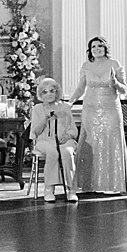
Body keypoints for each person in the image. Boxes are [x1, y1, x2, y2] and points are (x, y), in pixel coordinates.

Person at [68, 37, 127, 194]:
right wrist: (70, 102)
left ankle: (112, 184)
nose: (97, 48)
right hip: (90, 109)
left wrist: (115, 83)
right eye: (93, 46)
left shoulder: (114, 64)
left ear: (105, 48)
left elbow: (125, 90)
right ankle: (89, 184)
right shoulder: (86, 65)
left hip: (111, 109)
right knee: (90, 143)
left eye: (100, 46)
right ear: (90, 49)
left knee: (112, 142)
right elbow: (80, 88)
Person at [31, 76, 80, 204]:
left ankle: (71, 189)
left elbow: (74, 130)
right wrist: (45, 118)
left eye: (52, 91)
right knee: (53, 152)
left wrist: (68, 136)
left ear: (57, 92)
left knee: (67, 153)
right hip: (44, 141)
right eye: (45, 92)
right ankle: (49, 189)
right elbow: (35, 132)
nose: (49, 94)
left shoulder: (65, 107)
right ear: (41, 94)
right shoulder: (37, 109)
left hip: (64, 140)